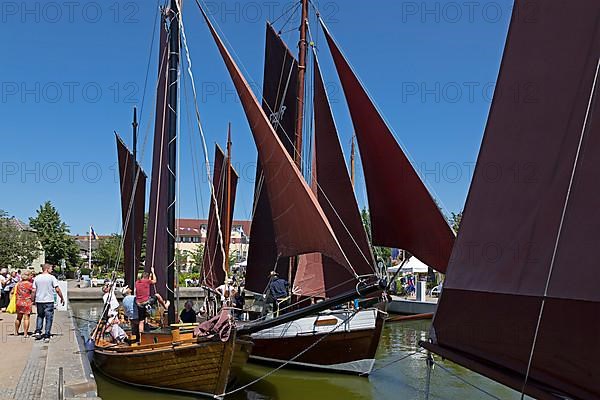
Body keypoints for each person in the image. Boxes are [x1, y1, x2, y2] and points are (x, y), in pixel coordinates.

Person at [135, 267, 170, 338]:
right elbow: (154, 281)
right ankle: (165, 306)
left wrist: (149, 276)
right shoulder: (147, 281)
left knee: (141, 321)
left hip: (139, 304)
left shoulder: (137, 282)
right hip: (146, 302)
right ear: (147, 278)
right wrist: (153, 272)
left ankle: (141, 338)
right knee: (157, 295)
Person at [33, 264, 65, 342]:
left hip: (39, 300)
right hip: (49, 300)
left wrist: (32, 299)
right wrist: (62, 297)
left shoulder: (37, 278)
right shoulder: (51, 278)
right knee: (49, 318)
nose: (52, 270)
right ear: (47, 269)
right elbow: (57, 289)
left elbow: (34, 290)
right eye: (51, 268)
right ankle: (47, 334)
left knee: (40, 316)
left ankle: (38, 331)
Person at [14, 271, 35, 337]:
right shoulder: (30, 284)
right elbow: (33, 292)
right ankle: (25, 333)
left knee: (18, 317)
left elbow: (13, 292)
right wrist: (33, 299)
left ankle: (16, 332)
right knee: (26, 318)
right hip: (27, 301)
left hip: (19, 301)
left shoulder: (18, 284)